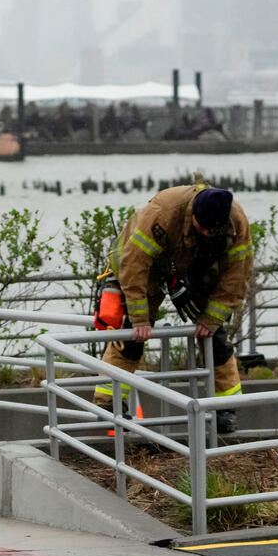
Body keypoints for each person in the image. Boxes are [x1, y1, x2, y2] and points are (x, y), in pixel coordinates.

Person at [93, 172, 254, 432]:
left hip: (195, 265)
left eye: (213, 229)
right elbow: (134, 265)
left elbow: (237, 276)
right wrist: (140, 319)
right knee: (131, 337)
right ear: (193, 214)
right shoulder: (163, 213)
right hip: (146, 267)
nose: (207, 232)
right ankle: (107, 404)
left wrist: (211, 319)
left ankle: (225, 408)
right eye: (202, 227)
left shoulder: (236, 223)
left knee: (216, 339)